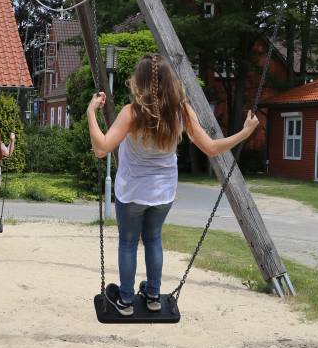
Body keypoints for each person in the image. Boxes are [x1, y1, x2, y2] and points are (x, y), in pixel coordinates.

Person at [87, 53, 259, 316]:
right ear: (171, 82)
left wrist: (91, 112)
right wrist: (245, 133)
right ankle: (153, 295)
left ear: (139, 82)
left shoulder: (132, 113)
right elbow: (212, 149)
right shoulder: (181, 112)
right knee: (154, 238)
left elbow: (101, 149)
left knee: (129, 242)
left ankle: (125, 302)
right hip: (163, 193)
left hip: (132, 192)